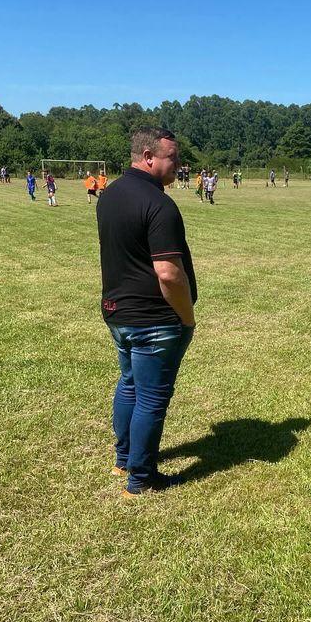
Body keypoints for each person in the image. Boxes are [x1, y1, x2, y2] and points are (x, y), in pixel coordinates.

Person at [96, 126, 196, 497]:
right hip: (155, 319)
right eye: (173, 157)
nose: (179, 165)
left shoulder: (109, 195)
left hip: (117, 312)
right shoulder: (159, 204)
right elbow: (168, 273)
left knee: (130, 384)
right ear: (149, 157)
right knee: (151, 397)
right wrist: (186, 317)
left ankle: (123, 458)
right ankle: (140, 478)